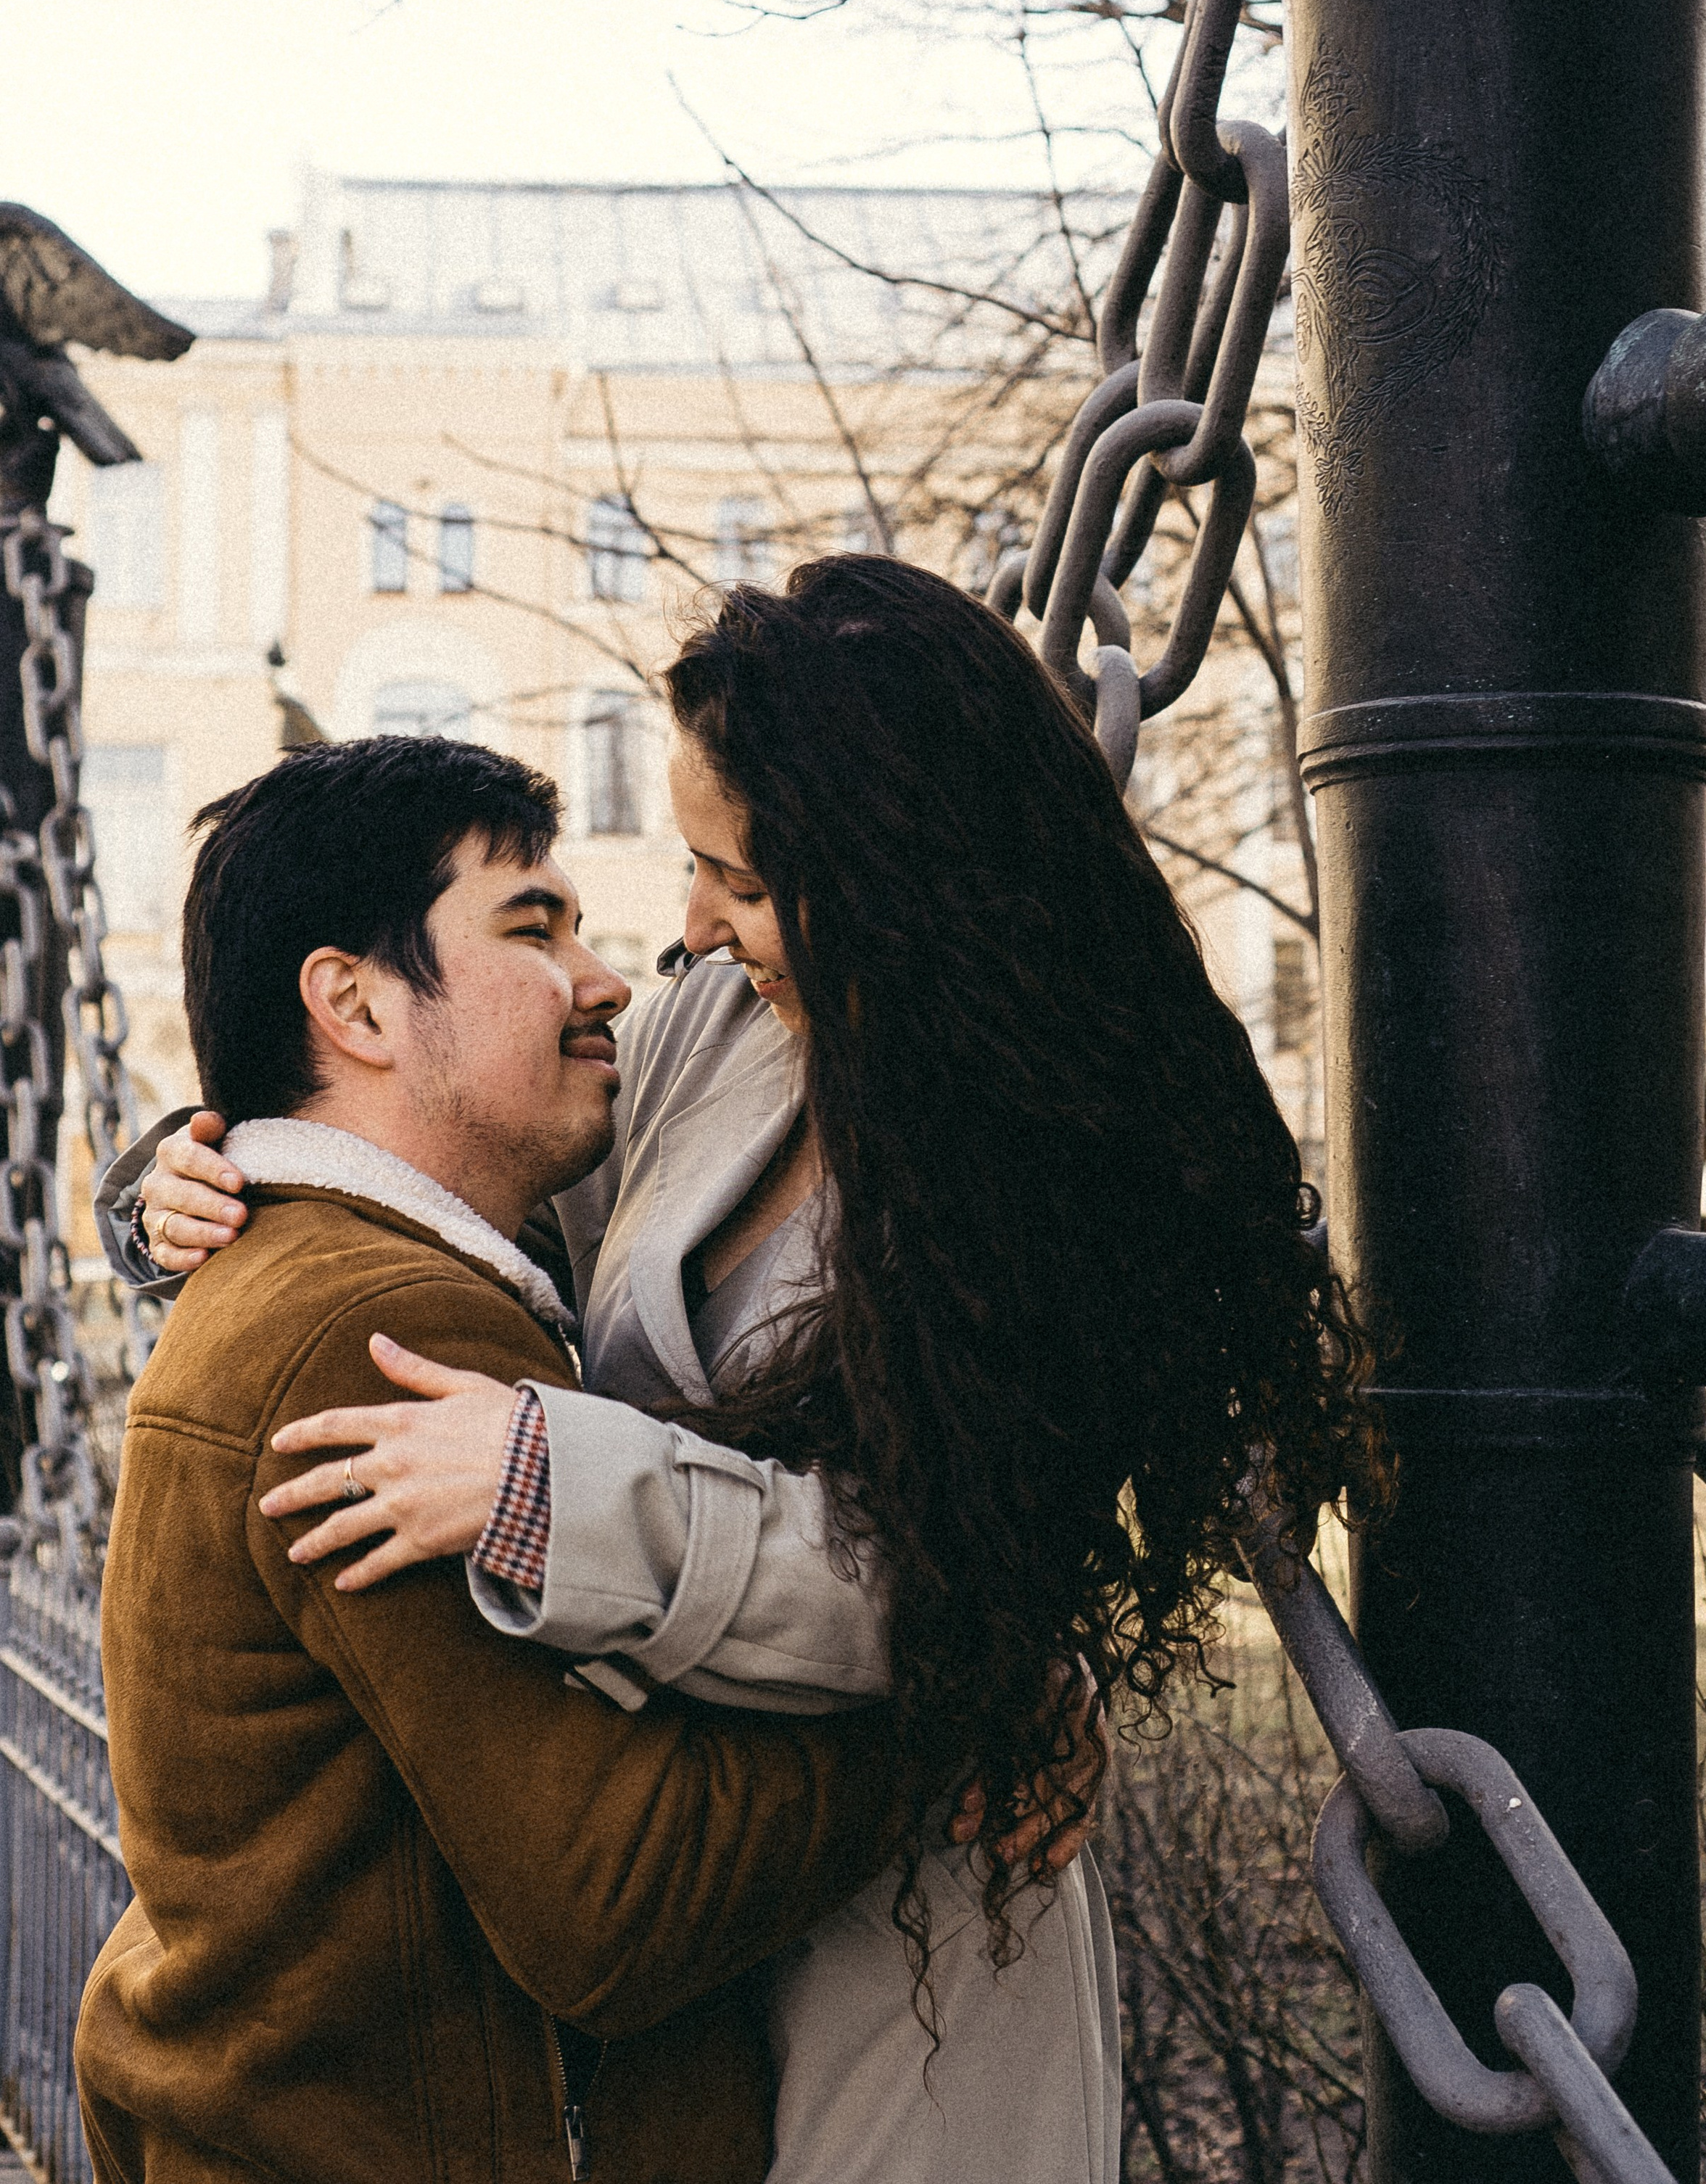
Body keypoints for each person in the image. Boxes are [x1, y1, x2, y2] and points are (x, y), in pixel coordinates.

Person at [117, 556, 1382, 2184]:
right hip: (688, 1875)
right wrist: (202, 1169)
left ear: (883, 879)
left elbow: (951, 1569)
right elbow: (450, 1136)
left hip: (906, 1921)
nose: (689, 929)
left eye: (738, 879)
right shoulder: (726, 1032)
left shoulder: (1049, 1178)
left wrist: (560, 1492)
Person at [76, 735, 929, 2184]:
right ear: (350, 1001)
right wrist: (952, 1715)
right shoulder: (380, 1328)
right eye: (534, 927)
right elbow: (618, 1903)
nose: (607, 980)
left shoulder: (313, 1277)